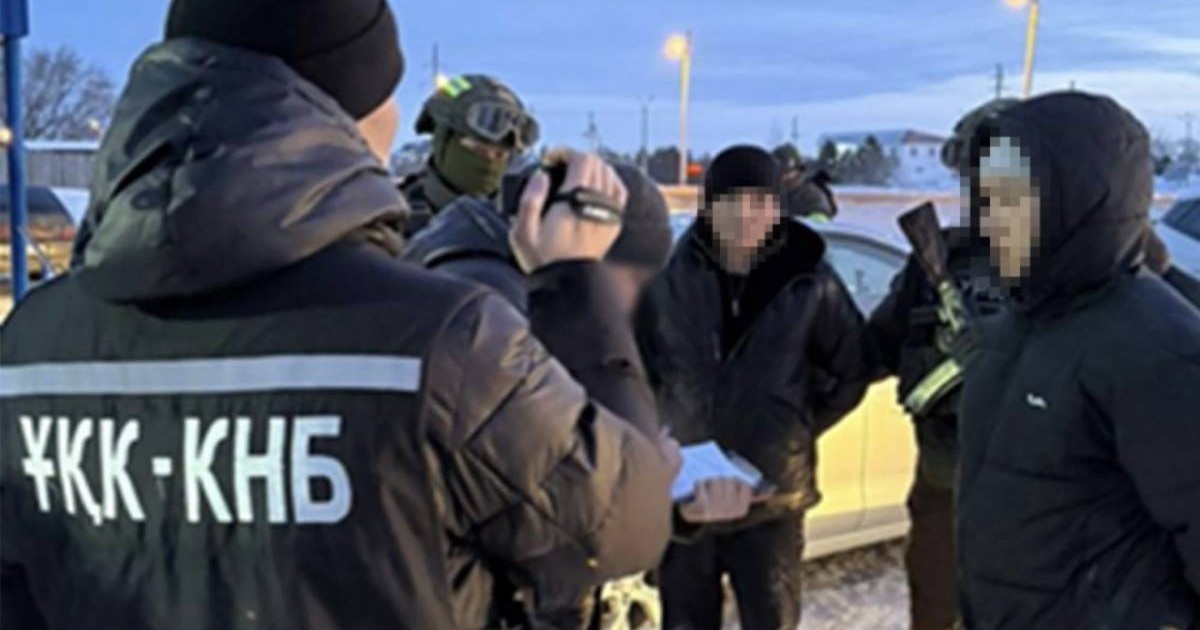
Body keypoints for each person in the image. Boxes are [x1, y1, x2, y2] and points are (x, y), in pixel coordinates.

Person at [0, 2, 680, 630]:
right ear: (354, 107)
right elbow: (620, 521)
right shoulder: (435, 340)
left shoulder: (31, 346)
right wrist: (573, 278)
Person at [404, 161, 757, 629]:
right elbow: (556, 515)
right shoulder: (489, 319)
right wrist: (641, 486)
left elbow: (548, 487)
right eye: (633, 282)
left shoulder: (498, 296)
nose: (632, 306)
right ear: (588, 246)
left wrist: (668, 504)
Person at [957, 91, 1200, 629]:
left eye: (1012, 201)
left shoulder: (1159, 347)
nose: (989, 222)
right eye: (986, 199)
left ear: (1083, 203)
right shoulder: (1014, 326)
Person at [636, 145, 873, 630]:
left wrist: (795, 426)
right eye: (734, 201)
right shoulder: (667, 282)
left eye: (762, 201)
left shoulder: (809, 282)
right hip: (688, 497)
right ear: (709, 206)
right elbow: (641, 374)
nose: (748, 215)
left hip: (771, 501)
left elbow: (853, 369)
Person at [867, 97, 1015, 630]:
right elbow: (870, 349)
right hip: (943, 490)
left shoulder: (1073, 266)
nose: (984, 190)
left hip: (1036, 504)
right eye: (975, 175)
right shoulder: (940, 259)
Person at [398, 74, 538, 236]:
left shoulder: (522, 226)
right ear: (443, 140)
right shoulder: (393, 216)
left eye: (499, 155)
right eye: (477, 149)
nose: (489, 161)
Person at [772, 144, 838, 222]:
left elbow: (821, 219)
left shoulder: (810, 194)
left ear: (797, 170)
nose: (781, 175)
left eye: (785, 171)